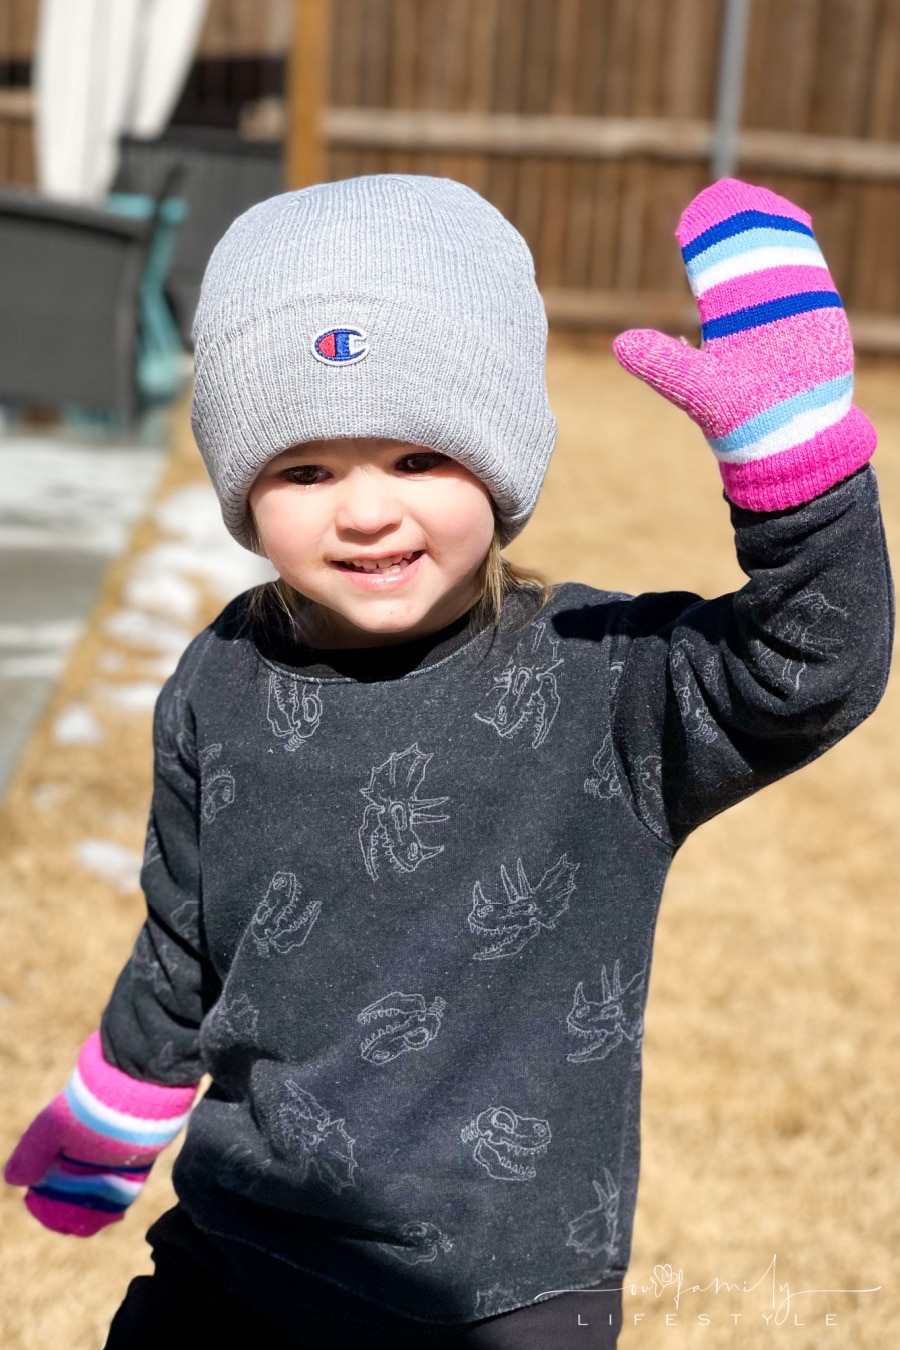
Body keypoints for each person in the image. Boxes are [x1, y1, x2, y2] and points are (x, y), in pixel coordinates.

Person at [4, 174, 892, 1350]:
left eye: (419, 457)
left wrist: (801, 469)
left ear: (500, 458)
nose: (366, 512)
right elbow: (188, 934)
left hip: (500, 1294)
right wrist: (117, 1106)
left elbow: (809, 664)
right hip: (237, 1247)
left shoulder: (601, 684)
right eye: (306, 471)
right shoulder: (216, 679)